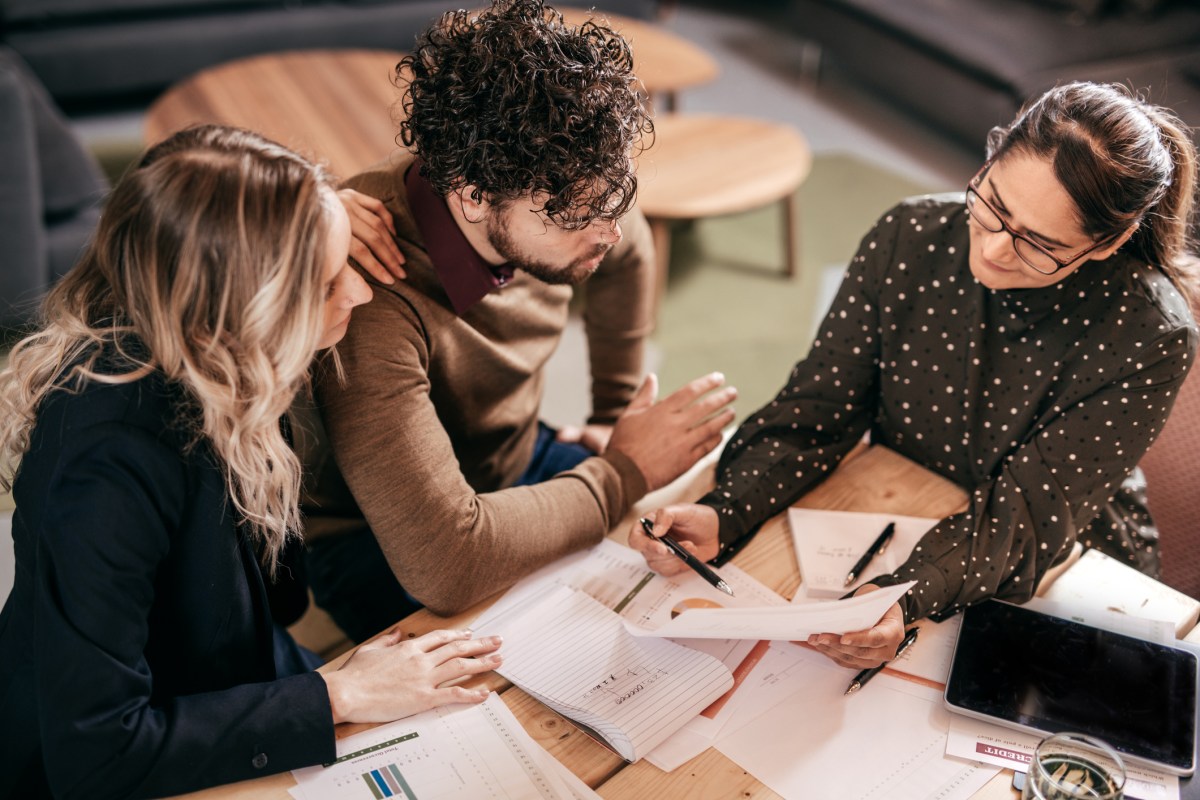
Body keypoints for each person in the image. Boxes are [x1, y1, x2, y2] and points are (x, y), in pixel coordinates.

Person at [0, 125, 503, 800]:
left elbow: (274, 598)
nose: (357, 292)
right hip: (138, 756)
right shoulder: (106, 473)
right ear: (241, 311)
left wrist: (316, 215)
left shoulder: (221, 367)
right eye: (327, 282)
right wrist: (337, 693)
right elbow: (99, 751)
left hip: (240, 676)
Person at [631, 81, 1199, 669]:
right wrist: (728, 509)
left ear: (1111, 242)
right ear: (992, 156)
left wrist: (906, 595)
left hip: (1061, 559)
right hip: (902, 505)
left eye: (1038, 244)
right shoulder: (911, 237)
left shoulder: (1150, 336)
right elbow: (816, 409)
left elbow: (1025, 519)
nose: (996, 250)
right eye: (995, 205)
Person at [301, 0, 736, 641]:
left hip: (512, 463)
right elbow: (445, 564)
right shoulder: (371, 292)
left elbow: (630, 248)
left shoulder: (571, 187)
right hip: (387, 539)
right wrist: (624, 469)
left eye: (616, 201)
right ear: (474, 195)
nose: (608, 232)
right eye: (575, 219)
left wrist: (611, 417)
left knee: (669, 583)